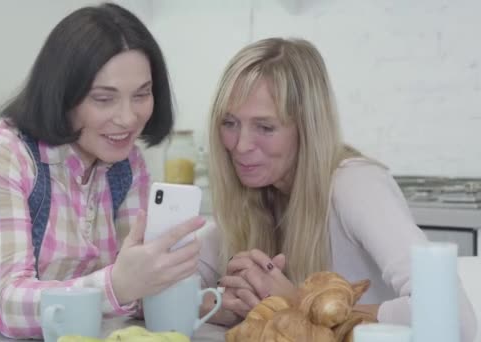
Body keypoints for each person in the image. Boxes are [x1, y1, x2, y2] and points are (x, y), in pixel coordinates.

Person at [0, 3, 205, 341]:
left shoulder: (127, 165)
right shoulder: (0, 156)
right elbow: (8, 304)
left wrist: (164, 278)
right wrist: (118, 284)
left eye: (142, 94)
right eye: (104, 99)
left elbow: (134, 284)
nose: (128, 118)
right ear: (62, 94)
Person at [196, 37, 477, 341]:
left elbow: (454, 318)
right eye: (230, 123)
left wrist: (300, 306)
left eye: (265, 127)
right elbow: (159, 289)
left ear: (307, 127)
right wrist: (222, 304)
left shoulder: (355, 185)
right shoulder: (255, 193)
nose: (241, 146)